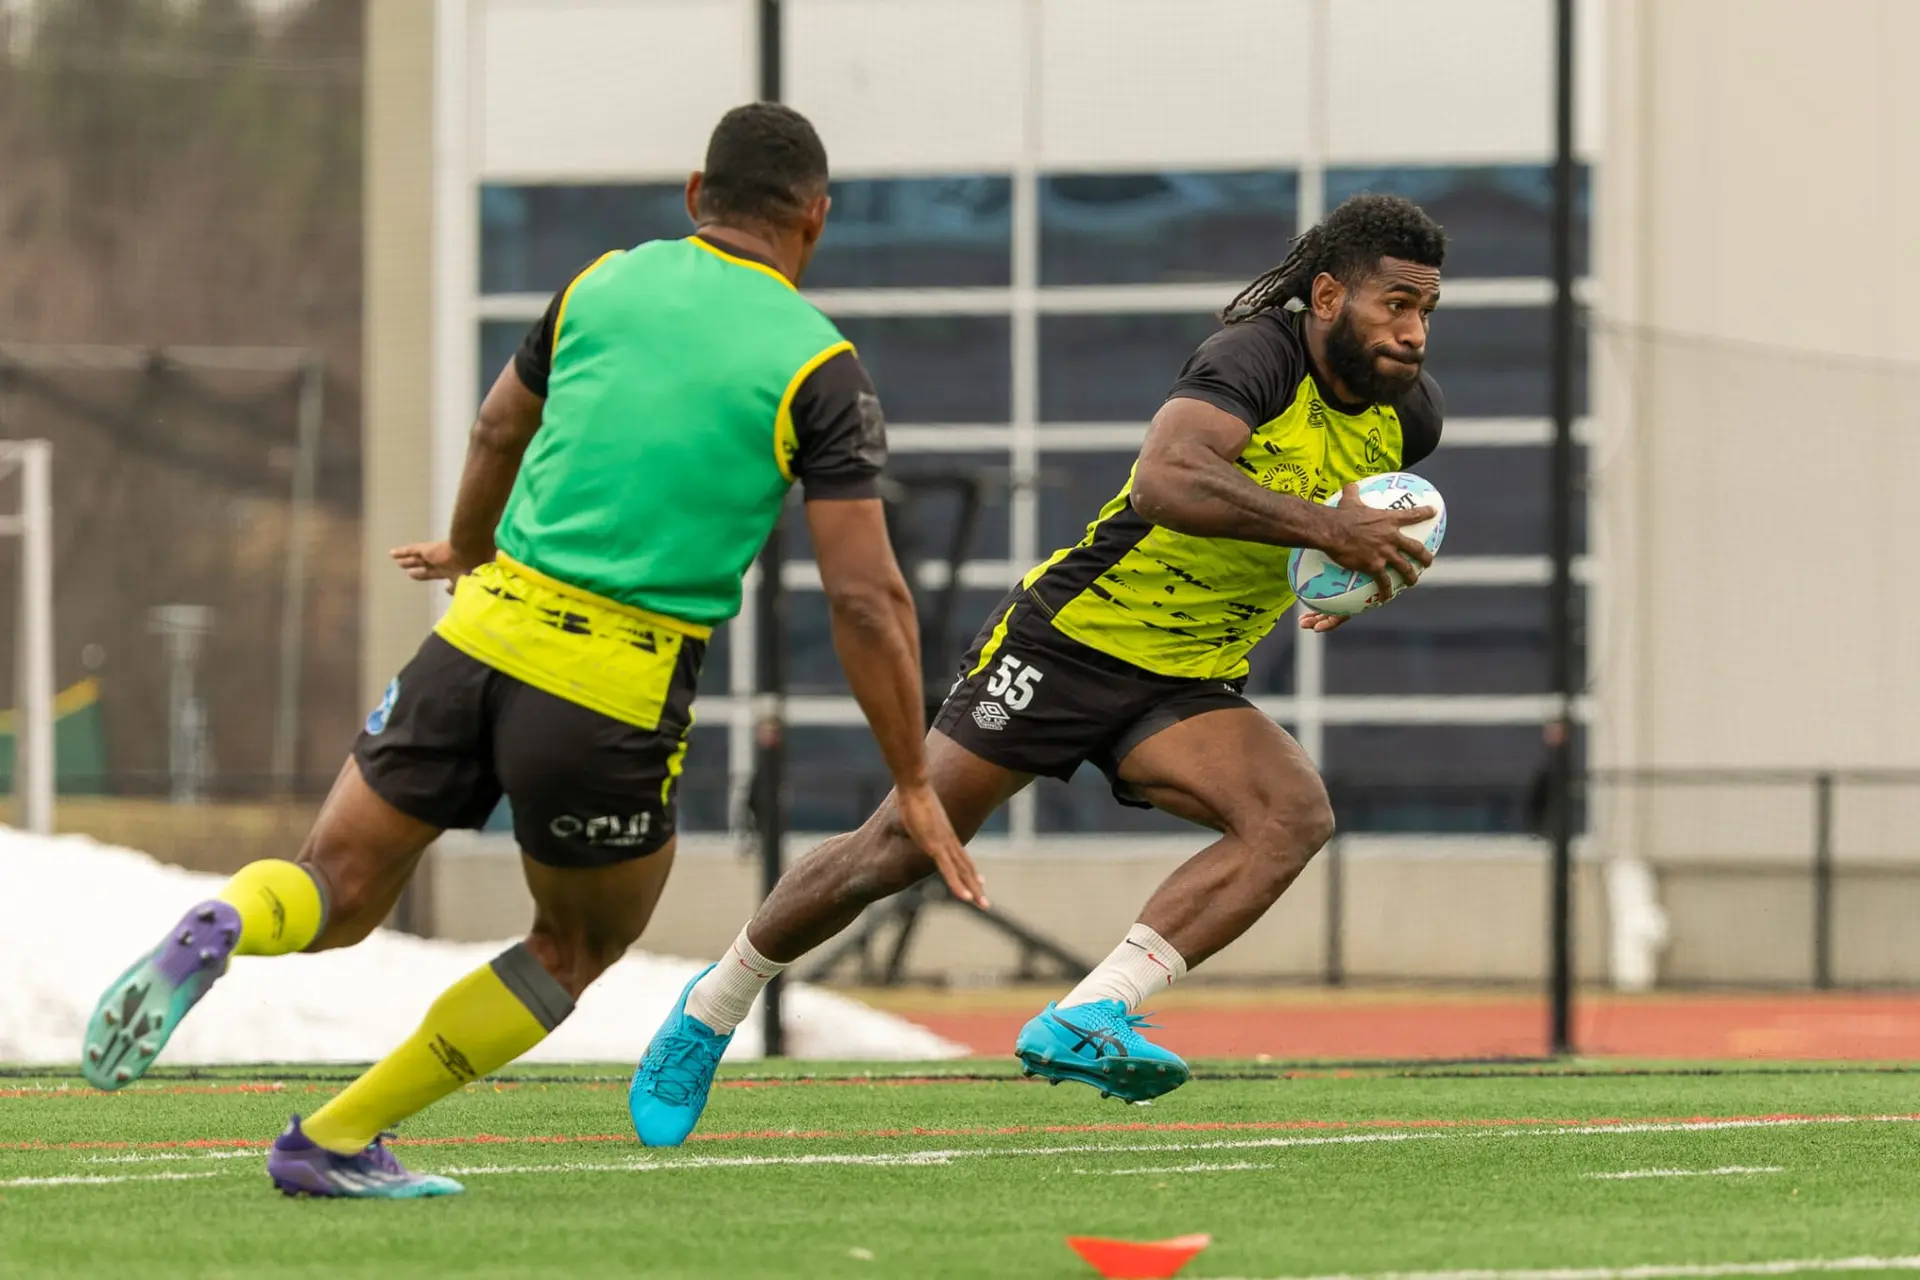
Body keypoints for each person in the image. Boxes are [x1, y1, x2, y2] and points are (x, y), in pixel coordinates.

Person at [78, 102, 969, 1198]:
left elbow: (499, 427)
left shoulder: (599, 281)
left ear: (696, 195)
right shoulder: (821, 367)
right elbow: (868, 596)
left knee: (334, 884)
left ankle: (226, 918)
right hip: (611, 682)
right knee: (572, 946)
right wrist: (914, 777)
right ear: (816, 223)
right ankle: (334, 1136)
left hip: (474, 632)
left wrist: (463, 545)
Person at [628, 193, 1449, 1147]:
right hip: (1069, 643)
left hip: (1187, 681)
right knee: (895, 847)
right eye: (1395, 304)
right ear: (1323, 296)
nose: (1413, 332)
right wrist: (1325, 528)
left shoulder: (1407, 416)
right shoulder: (1255, 356)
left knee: (1292, 815)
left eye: (1427, 310)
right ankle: (709, 1012)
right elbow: (1167, 480)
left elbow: (1357, 513)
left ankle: (1090, 1013)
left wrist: (1346, 576)